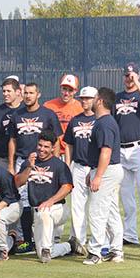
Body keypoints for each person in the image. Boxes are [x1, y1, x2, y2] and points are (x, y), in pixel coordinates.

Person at [7, 82, 62, 249]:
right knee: (23, 199)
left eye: (31, 93)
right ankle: (26, 239)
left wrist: (56, 160)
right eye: (26, 93)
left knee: (45, 198)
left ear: (38, 94)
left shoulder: (48, 114)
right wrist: (11, 164)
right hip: (23, 160)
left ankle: (51, 237)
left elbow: (57, 139)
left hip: (45, 161)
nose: (28, 96)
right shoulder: (17, 115)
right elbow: (13, 140)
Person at [14, 131, 74, 263]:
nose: (42, 149)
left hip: (58, 209)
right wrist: (29, 167)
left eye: (46, 147)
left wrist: (50, 201)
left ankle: (46, 248)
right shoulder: (29, 162)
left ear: (53, 148)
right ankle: (69, 246)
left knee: (44, 212)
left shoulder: (59, 165)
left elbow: (67, 187)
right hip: (37, 211)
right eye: (40, 145)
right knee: (42, 255)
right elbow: (18, 182)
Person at [84, 88, 124, 265]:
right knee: (111, 212)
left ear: (99, 100)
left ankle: (95, 252)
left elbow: (106, 151)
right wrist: (92, 172)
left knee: (97, 212)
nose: (91, 101)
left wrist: (98, 176)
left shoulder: (104, 123)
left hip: (107, 172)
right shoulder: (106, 121)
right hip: (109, 170)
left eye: (93, 98)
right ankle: (116, 251)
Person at [114, 63, 140, 246]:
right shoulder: (118, 98)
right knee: (126, 195)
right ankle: (130, 234)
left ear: (138, 76)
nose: (129, 78)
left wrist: (138, 83)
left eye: (132, 75)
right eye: (126, 75)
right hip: (121, 149)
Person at [63, 86, 98, 255]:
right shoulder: (75, 120)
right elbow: (68, 144)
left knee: (97, 207)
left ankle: (100, 242)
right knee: (77, 207)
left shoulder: (101, 120)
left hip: (95, 168)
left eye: (88, 98)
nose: (85, 101)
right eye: (83, 98)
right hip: (78, 166)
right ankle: (79, 242)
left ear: (96, 99)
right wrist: (68, 166)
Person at [0, 76, 23, 168]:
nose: (5, 94)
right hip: (4, 159)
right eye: (4, 91)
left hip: (23, 158)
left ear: (18, 92)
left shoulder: (25, 110)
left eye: (9, 91)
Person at [43, 74, 82, 156]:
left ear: (76, 91)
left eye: (70, 90)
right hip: (52, 153)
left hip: (73, 153)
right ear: (60, 88)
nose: (66, 93)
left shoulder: (80, 108)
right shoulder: (48, 106)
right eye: (64, 89)